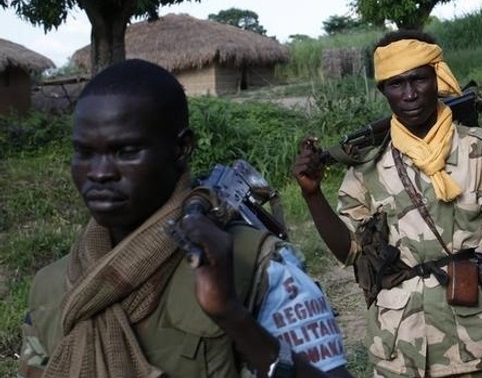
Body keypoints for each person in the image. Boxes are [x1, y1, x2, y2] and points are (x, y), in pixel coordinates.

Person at [18, 59, 352, 378]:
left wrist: (231, 315)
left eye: (127, 151)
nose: (100, 173)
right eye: (85, 153)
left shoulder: (261, 267)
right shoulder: (53, 286)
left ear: (182, 147)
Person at [292, 29, 482, 377]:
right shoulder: (368, 165)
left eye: (418, 79)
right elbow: (350, 250)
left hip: (471, 339)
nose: (410, 93)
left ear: (437, 78)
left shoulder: (477, 148)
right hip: (399, 348)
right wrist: (312, 195)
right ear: (383, 90)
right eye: (396, 84)